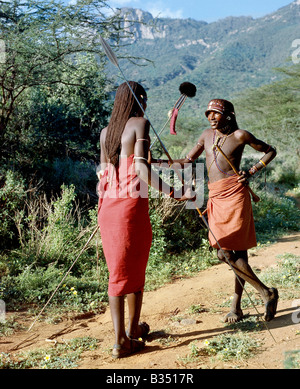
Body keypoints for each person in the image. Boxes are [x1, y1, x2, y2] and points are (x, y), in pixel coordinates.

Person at [97, 81, 193, 359]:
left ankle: (130, 333)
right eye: (145, 98)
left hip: (109, 209)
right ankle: (122, 341)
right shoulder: (140, 123)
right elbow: (139, 170)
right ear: (137, 100)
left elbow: (106, 173)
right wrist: (176, 193)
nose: (147, 103)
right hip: (130, 209)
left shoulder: (106, 133)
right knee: (134, 270)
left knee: (117, 272)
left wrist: (164, 164)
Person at [171, 99, 279, 324]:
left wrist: (251, 171)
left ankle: (264, 293)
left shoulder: (240, 136)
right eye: (208, 114)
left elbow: (270, 151)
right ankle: (238, 307)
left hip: (236, 194)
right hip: (216, 196)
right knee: (236, 254)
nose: (211, 118)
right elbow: (188, 160)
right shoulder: (205, 135)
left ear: (228, 115)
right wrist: (160, 162)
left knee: (226, 253)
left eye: (216, 114)